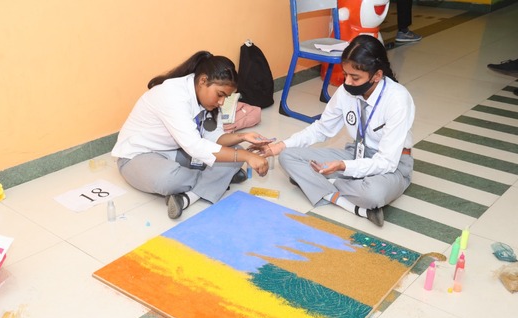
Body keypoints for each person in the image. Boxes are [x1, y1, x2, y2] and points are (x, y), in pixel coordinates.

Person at [257, 35, 415, 227]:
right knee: (287, 157)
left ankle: (319, 184)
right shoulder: (345, 91)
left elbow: (386, 162)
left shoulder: (397, 99)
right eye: (345, 74)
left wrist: (342, 167)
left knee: (373, 194)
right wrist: (280, 146)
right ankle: (353, 206)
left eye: (355, 77)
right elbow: (322, 129)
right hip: (355, 153)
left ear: (377, 76)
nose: (347, 82)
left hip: (393, 165)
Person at [112, 51, 270, 219]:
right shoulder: (172, 95)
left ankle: (187, 198)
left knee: (234, 150)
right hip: (136, 157)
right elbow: (195, 146)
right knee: (169, 180)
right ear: (203, 81)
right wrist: (244, 156)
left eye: (226, 97)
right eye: (220, 95)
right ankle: (217, 180)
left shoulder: (207, 99)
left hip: (177, 151)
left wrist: (243, 137)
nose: (222, 102)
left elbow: (214, 138)